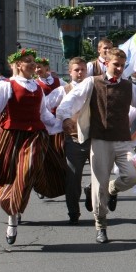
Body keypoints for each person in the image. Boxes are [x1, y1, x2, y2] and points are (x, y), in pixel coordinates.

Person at [56, 48, 136, 244]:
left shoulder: (130, 87)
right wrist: (65, 116)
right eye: (115, 65)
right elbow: (72, 99)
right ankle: (101, 225)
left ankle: (113, 188)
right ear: (107, 64)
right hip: (100, 140)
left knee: (133, 176)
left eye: (122, 65)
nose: (119, 68)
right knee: (98, 187)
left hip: (122, 141)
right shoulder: (92, 82)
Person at [0, 49, 63, 245]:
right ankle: (12, 216)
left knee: (28, 170)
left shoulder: (37, 88)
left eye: (33, 62)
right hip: (12, 136)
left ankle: (14, 210)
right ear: (18, 65)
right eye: (28, 61)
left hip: (36, 135)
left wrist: (61, 124)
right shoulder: (7, 86)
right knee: (10, 176)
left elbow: (44, 114)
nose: (32, 65)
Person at [46, 57, 90, 224]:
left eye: (83, 70)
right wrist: (56, 125)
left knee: (101, 176)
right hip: (73, 139)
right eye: (76, 70)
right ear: (70, 72)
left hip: (94, 138)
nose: (80, 73)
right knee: (73, 177)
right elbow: (43, 106)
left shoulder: (93, 88)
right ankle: (73, 212)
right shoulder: (63, 90)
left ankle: (91, 192)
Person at [34, 57, 66, 200]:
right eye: (35, 68)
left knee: (59, 154)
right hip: (42, 124)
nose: (37, 70)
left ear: (47, 68)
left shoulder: (60, 83)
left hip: (58, 124)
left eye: (39, 67)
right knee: (42, 155)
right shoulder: (34, 84)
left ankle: (57, 183)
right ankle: (41, 184)